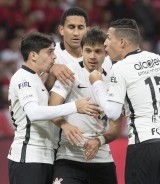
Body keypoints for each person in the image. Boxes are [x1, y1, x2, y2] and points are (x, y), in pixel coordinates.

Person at [89, 18, 160, 184]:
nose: (105, 44)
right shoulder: (159, 59)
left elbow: (112, 112)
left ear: (122, 42)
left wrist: (97, 83)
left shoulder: (121, 68)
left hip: (145, 144)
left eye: (109, 38)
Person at [7, 32, 98, 184]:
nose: (54, 57)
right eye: (49, 52)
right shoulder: (23, 77)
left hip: (45, 157)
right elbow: (34, 113)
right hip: (28, 157)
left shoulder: (35, 78)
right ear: (33, 55)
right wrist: (74, 106)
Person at [49, 27, 120, 184]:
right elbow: (52, 107)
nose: (92, 56)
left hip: (102, 159)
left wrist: (98, 141)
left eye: (98, 51)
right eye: (88, 51)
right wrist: (65, 125)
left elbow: (116, 128)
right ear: (81, 51)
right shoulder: (70, 72)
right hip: (69, 158)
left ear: (106, 52)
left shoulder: (116, 78)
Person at [45, 7, 89, 89]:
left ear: (87, 30)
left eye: (80, 28)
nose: (76, 33)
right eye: (71, 27)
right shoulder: (49, 53)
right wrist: (51, 69)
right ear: (61, 30)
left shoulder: (96, 56)